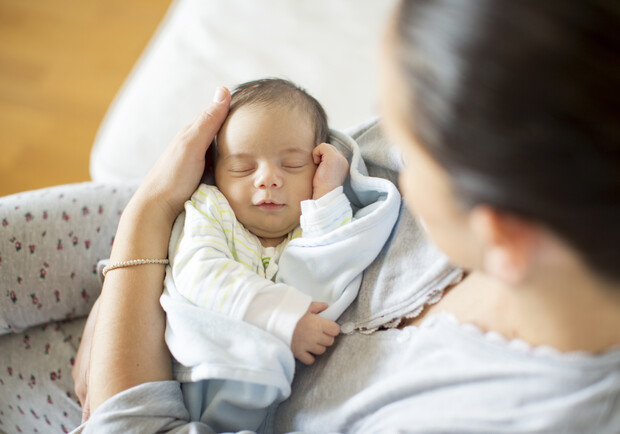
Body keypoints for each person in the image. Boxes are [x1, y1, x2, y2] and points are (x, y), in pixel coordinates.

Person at [69, 0, 619, 432]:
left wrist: (144, 226)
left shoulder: (481, 415)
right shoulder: (519, 147)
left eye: (407, 143)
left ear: (500, 235)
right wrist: (138, 258)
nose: (381, 149)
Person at [161, 78, 398, 430]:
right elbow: (200, 272)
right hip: (204, 373)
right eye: (243, 167)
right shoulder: (211, 209)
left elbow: (329, 262)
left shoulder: (311, 221)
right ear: (213, 172)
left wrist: (328, 193)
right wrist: (283, 318)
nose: (268, 179)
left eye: (291, 165)